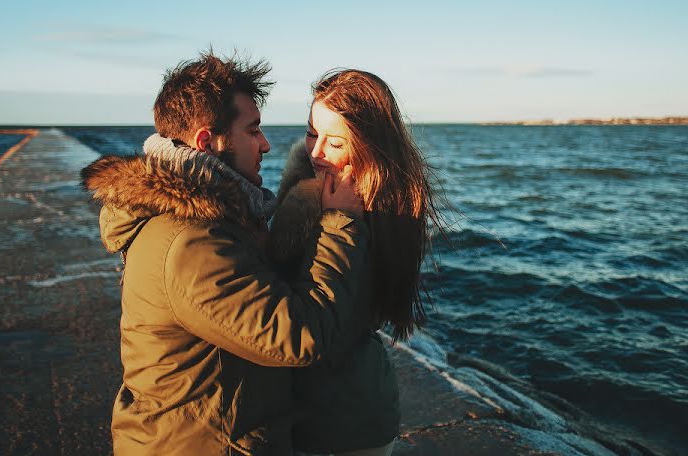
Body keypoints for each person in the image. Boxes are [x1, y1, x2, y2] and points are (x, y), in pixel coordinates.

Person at [81, 52, 369, 455]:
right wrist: (340, 222)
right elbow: (300, 337)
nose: (266, 144)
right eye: (253, 131)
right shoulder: (191, 241)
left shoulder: (210, 216)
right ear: (208, 142)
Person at [268, 69, 444, 456]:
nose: (316, 152)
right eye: (312, 133)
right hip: (333, 409)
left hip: (342, 422)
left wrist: (333, 220)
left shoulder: (376, 212)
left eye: (334, 142)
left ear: (367, 145)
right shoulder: (309, 190)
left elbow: (318, 325)